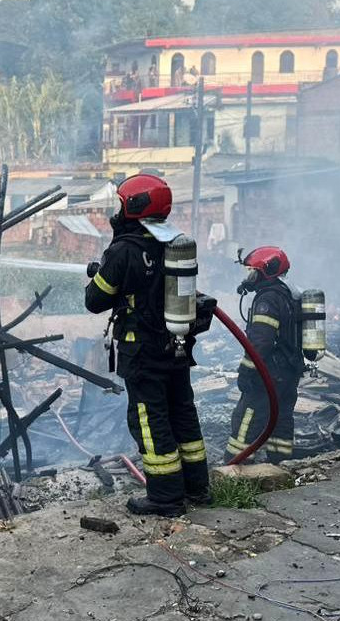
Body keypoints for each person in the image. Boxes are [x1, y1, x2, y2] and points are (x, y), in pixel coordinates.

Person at [84, 174, 210, 517]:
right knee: (182, 413)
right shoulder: (175, 243)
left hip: (142, 352)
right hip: (177, 347)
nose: (117, 210)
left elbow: (95, 300)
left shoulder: (125, 250)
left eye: (121, 203)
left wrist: (100, 272)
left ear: (135, 207)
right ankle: (198, 488)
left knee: (149, 420)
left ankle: (166, 497)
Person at [225, 247, 305, 463]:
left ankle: (235, 469)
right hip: (289, 372)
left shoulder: (267, 299)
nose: (249, 277)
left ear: (266, 271)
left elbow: (260, 342)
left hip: (269, 374)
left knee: (246, 419)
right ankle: (281, 465)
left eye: (253, 272)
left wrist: (246, 372)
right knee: (281, 419)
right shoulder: (290, 294)